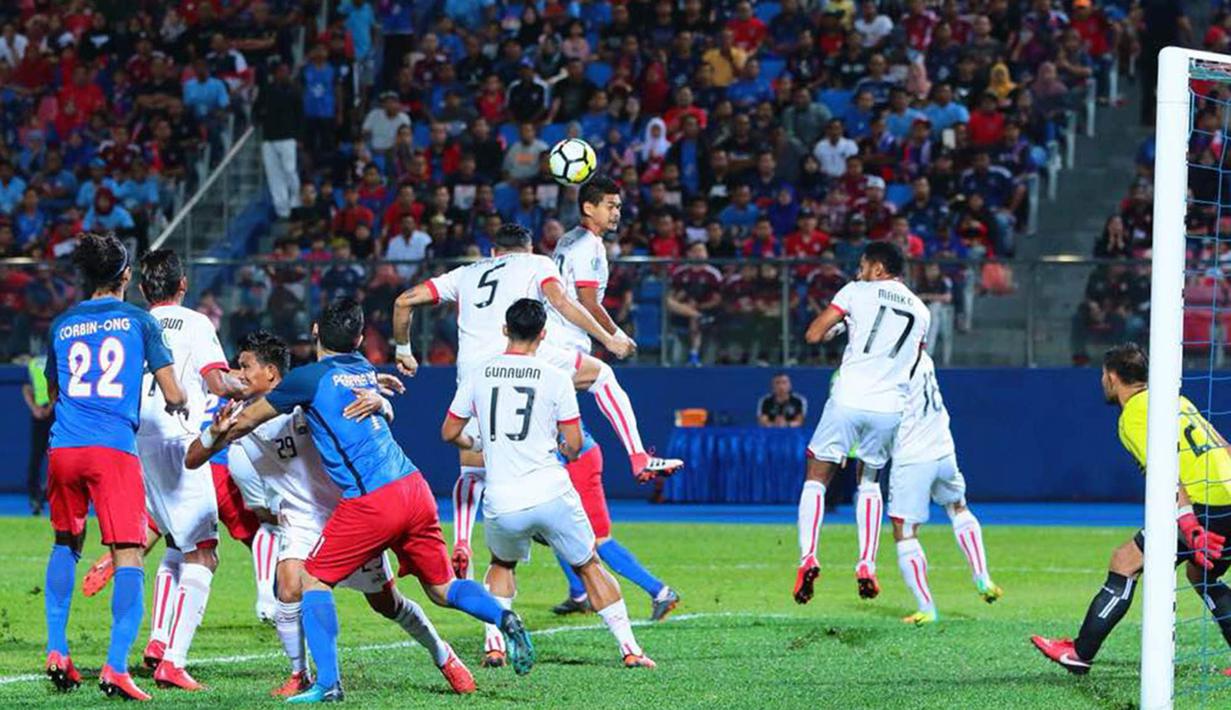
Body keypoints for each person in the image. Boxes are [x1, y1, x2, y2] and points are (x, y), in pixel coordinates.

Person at [188, 297, 532, 702]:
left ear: (315, 331)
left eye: (244, 366)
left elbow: (247, 421)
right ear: (360, 339)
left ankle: (329, 684)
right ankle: (503, 615)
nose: (238, 373)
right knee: (442, 589)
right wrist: (382, 398)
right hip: (413, 488)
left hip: (368, 502)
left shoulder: (305, 381)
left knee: (317, 581)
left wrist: (222, 427)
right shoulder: (362, 369)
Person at [441, 298, 656, 670]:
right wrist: (561, 448)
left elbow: (449, 432)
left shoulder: (479, 372)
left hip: (503, 498)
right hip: (551, 492)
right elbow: (573, 445)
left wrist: (475, 444)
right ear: (543, 334)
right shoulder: (555, 377)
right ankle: (630, 649)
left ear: (505, 330)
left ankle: (495, 645)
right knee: (589, 564)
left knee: (502, 565)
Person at [43, 233, 187, 701]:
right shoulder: (140, 322)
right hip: (112, 451)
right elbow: (173, 394)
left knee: (66, 542)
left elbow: (53, 393)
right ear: (126, 276)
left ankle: (58, 649)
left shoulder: (61, 325)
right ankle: (116, 666)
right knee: (129, 553)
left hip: (65, 448)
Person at [1032, 343, 1231, 675]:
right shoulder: (1177, 400)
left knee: (1125, 562)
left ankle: (1079, 653)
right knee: (1203, 575)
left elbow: (1164, 471)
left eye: (1102, 376)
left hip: (1202, 504)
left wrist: (1188, 522)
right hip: (1227, 497)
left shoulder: (1136, 413)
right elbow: (1223, 445)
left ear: (1112, 377)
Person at [132, 249, 247, 690]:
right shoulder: (197, 323)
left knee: (176, 543)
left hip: (136, 441)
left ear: (144, 289)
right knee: (204, 550)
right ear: (183, 286)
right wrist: (259, 385)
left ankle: (159, 640)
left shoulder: (135, 323)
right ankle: (173, 662)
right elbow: (219, 382)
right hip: (181, 440)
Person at [793, 242, 930, 605]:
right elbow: (913, 361)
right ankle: (866, 562)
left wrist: (842, 329)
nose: (858, 272)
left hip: (849, 397)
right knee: (868, 481)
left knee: (816, 476)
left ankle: (808, 556)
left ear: (879, 269)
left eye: (864, 265)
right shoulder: (921, 310)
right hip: (889, 407)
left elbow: (813, 334)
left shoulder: (856, 291)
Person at [872, 350, 1002, 624]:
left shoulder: (890, 369)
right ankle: (983, 578)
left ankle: (926, 608)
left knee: (905, 532)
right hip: (943, 447)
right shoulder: (923, 357)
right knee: (958, 507)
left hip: (913, 457)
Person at [257, 60, 302, 220]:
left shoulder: (294, 91)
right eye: (281, 71)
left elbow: (300, 114)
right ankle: (282, 209)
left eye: (286, 71)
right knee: (274, 175)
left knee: (289, 170)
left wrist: (299, 136)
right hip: (269, 138)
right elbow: (257, 110)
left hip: (288, 137)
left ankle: (296, 202)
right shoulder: (266, 90)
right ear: (275, 73)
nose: (284, 74)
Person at [24, 352, 53, 515]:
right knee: (37, 455)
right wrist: (35, 407)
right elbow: (27, 387)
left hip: (51, 411)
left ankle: (45, 493)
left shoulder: (54, 360)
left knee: (53, 455)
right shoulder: (33, 363)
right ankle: (35, 495)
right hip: (42, 413)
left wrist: (48, 407)